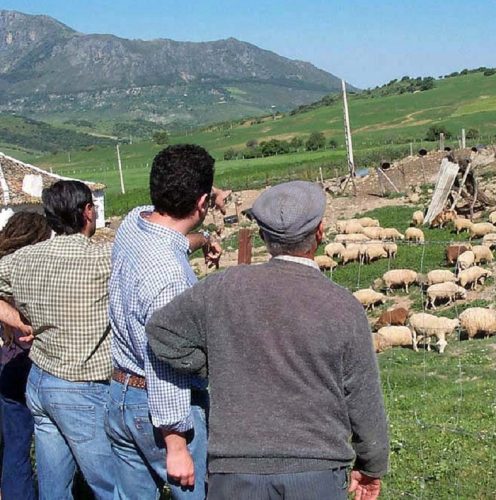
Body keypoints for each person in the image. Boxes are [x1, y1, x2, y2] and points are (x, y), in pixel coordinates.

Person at [146, 180, 390, 500]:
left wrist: (211, 363)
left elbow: (161, 332)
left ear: (262, 235)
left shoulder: (224, 287)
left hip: (235, 471)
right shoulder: (342, 306)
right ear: (320, 232)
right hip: (316, 471)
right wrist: (372, 464)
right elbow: (362, 395)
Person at [106, 144, 216, 499]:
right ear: (202, 203)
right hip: (158, 407)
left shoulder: (134, 224)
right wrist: (176, 442)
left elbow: (174, 239)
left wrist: (204, 240)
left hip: (120, 395)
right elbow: (165, 360)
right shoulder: (169, 278)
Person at [0, 181, 115, 499]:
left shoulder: (25, 259)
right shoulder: (103, 258)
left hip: (39, 382)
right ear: (88, 212)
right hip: (80, 384)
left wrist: (18, 320)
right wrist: (202, 238)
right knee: (110, 485)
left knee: (53, 487)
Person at [0, 212, 52, 500]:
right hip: (36, 363)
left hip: (7, 363)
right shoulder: (33, 272)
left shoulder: (4, 269)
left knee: (16, 448)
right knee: (51, 445)